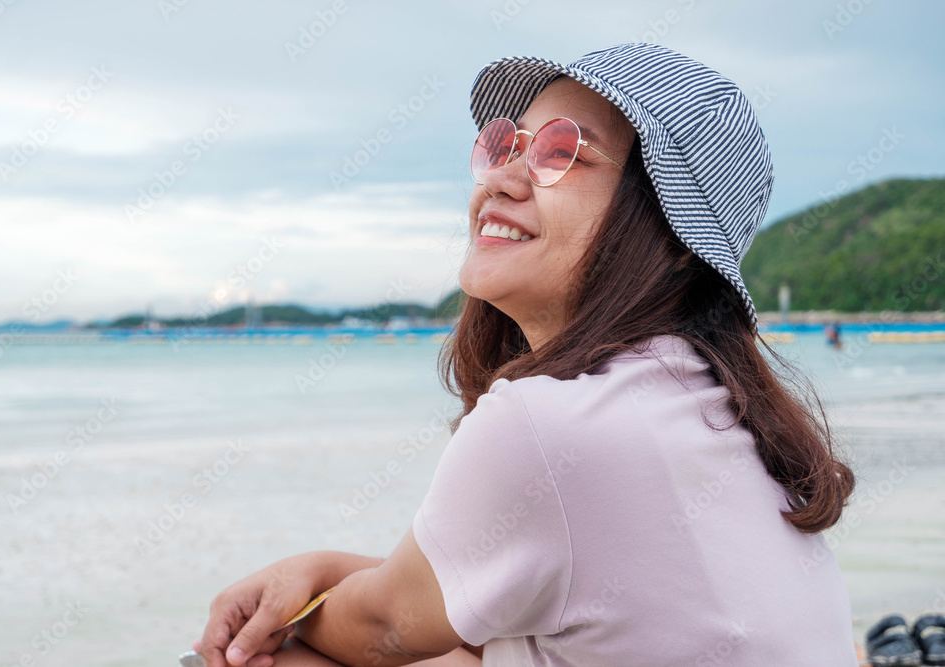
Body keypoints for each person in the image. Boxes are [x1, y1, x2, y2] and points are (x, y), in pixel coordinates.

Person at [194, 43, 858, 666]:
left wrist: (297, 610)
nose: (502, 179)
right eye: (505, 144)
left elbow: (383, 626)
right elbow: (474, 615)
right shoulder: (703, 402)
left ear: (672, 234)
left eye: (563, 151)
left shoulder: (553, 424)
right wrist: (319, 568)